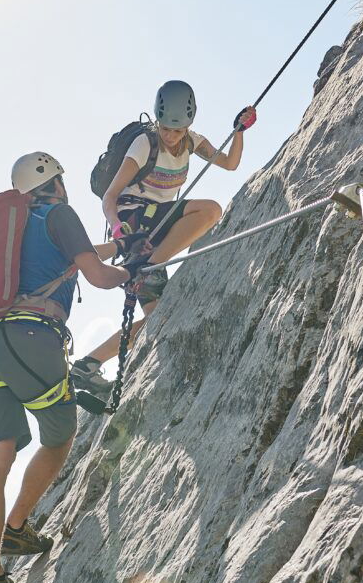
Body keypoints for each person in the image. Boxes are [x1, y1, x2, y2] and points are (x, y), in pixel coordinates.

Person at [0, 152, 144, 583]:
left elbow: (81, 257)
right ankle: (17, 525)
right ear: (57, 183)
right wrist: (133, 271)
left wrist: (121, 249)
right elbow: (96, 274)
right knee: (61, 434)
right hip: (33, 338)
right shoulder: (59, 214)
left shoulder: (10, 231)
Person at [70, 80, 255, 393]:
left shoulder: (193, 142)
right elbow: (110, 197)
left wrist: (238, 132)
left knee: (160, 318)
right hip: (135, 220)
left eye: (177, 130)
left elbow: (229, 163)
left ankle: (86, 366)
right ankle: (143, 264)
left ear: (188, 125)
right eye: (166, 128)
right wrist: (116, 226)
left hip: (156, 228)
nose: (170, 136)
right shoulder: (144, 144)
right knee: (210, 210)